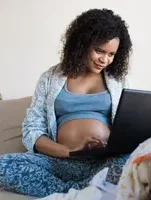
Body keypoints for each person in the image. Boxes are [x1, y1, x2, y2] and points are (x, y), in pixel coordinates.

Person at [0, 8, 132, 197]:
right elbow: (32, 130)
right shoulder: (50, 78)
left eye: (111, 54)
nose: (105, 59)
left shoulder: (119, 82)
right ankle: (86, 191)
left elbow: (128, 128)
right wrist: (68, 150)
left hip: (102, 162)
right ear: (82, 44)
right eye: (99, 51)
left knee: (129, 164)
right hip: (58, 161)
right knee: (3, 165)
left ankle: (73, 192)